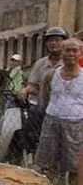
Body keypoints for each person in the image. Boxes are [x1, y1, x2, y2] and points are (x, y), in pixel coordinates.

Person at [35, 38, 83, 175]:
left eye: (75, 50)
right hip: (51, 121)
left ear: (80, 53)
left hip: (76, 125)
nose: (71, 54)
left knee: (73, 163)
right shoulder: (51, 75)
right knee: (45, 161)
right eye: (67, 50)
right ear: (62, 52)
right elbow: (44, 98)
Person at [22, 26, 69, 105]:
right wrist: (25, 90)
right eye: (50, 40)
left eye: (57, 40)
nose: (53, 43)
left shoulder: (70, 63)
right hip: (41, 106)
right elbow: (32, 85)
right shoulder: (40, 63)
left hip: (65, 107)